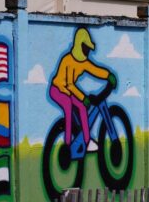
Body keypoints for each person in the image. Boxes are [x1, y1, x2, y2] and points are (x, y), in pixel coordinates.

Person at [49, 27, 117, 155]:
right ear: (79, 45)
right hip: (57, 89)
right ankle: (67, 143)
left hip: (69, 91)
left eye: (88, 49)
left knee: (81, 107)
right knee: (68, 106)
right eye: (85, 48)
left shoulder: (83, 62)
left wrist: (108, 75)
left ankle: (87, 140)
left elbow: (95, 69)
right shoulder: (67, 60)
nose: (87, 51)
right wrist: (82, 97)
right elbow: (69, 84)